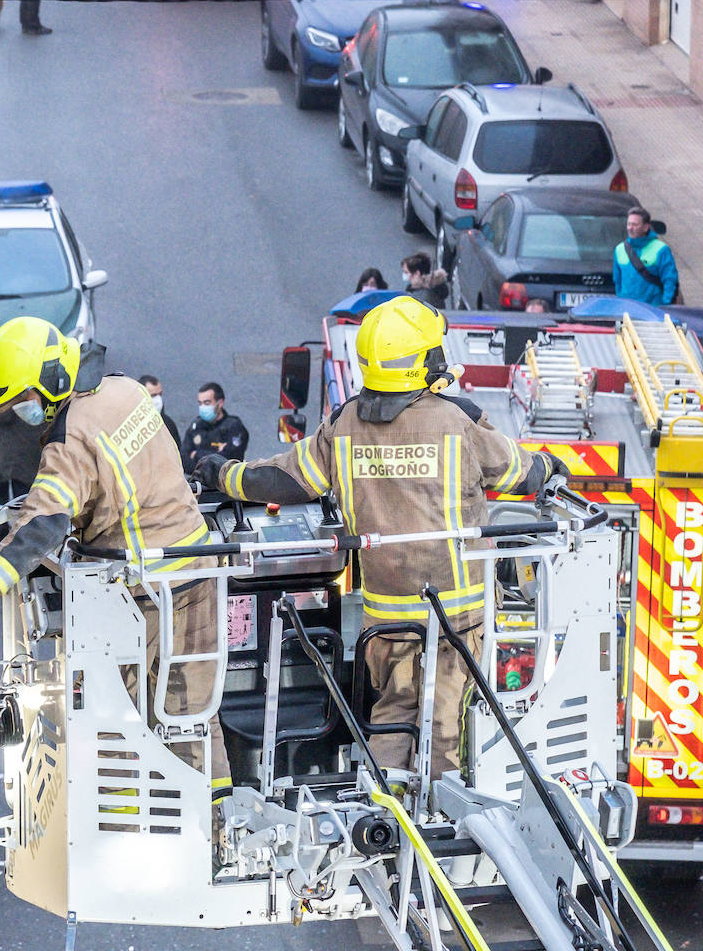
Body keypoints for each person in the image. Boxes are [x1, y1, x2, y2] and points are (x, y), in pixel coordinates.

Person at [193, 296, 566, 776]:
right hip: (455, 619)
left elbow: (284, 479)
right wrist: (552, 467)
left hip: (386, 622)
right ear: (423, 361)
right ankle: (436, 826)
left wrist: (225, 474)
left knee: (392, 717)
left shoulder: (345, 425)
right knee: (442, 731)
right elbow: (520, 473)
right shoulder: (457, 422)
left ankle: (383, 810)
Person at [0, 317, 230, 790]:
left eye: (24, 400)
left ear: (49, 382)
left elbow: (41, 527)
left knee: (113, 726)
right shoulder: (125, 390)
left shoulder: (68, 441)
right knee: (192, 716)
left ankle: (123, 828)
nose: (22, 413)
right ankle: (215, 833)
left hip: (141, 593)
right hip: (197, 570)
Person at [614, 207, 679, 305]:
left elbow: (670, 280)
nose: (630, 228)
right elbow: (617, 281)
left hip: (652, 311)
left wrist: (665, 305)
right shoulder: (620, 249)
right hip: (628, 310)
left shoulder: (661, 249)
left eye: (635, 225)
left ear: (645, 227)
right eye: (629, 224)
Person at [181, 382, 249, 475]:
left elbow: (228, 462)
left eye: (207, 403)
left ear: (220, 403)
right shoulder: (196, 426)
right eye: (200, 403)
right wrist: (215, 455)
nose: (203, 407)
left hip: (224, 485)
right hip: (198, 484)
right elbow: (184, 460)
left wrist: (196, 454)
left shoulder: (234, 427)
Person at [139, 374, 181, 445]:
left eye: (160, 394)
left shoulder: (168, 424)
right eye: (153, 395)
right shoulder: (131, 424)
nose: (158, 399)